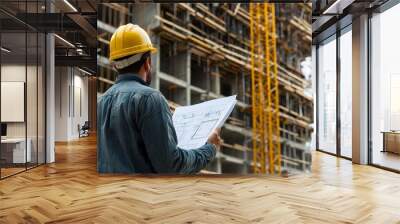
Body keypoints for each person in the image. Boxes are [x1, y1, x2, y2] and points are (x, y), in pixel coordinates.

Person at [97, 24, 222, 174]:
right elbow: (171, 166)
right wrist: (209, 148)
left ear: (115, 66)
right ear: (147, 62)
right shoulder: (150, 99)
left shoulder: (100, 103)